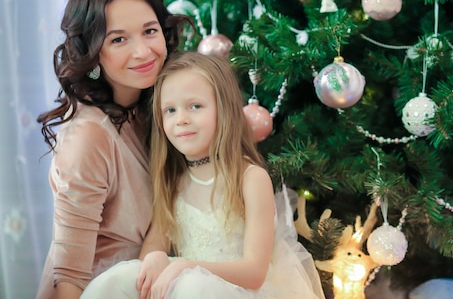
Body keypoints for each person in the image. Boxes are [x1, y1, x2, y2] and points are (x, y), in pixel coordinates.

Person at [81, 52, 325, 299]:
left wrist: (187, 267)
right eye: (170, 110)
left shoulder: (250, 178)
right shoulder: (174, 182)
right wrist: (155, 257)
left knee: (193, 287)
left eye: (195, 106)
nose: (181, 120)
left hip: (238, 291)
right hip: (185, 287)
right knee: (115, 280)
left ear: (224, 110)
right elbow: (155, 245)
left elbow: (254, 272)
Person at [36, 0, 190, 299]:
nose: (143, 52)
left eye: (150, 31)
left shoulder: (158, 105)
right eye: (118, 39)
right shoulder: (89, 135)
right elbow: (70, 278)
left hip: (148, 281)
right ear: (92, 53)